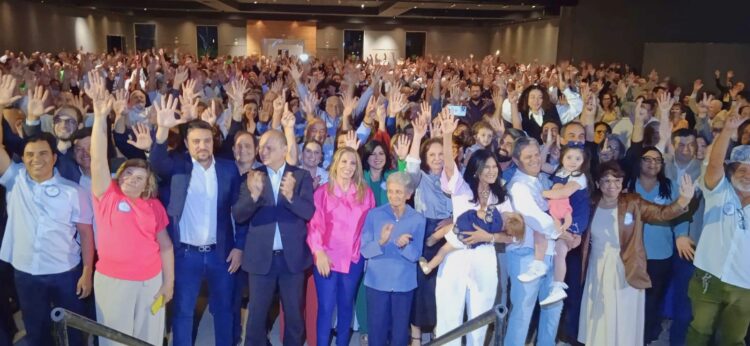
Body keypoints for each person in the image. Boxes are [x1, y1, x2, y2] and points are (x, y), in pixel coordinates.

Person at [148, 94, 245, 346]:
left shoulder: (228, 169)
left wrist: (239, 246)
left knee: (224, 310)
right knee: (182, 312)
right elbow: (156, 162)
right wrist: (162, 129)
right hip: (185, 255)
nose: (202, 145)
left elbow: (240, 210)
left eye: (206, 140)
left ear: (213, 141)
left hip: (220, 253)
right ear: (187, 144)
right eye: (196, 142)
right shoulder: (178, 166)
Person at [86, 70, 174, 346]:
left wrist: (168, 282)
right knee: (114, 340)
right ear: (118, 176)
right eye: (127, 174)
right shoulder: (107, 196)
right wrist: (101, 116)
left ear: (148, 183)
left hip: (151, 281)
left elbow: (166, 246)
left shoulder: (154, 206)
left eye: (139, 177)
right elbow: (98, 160)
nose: (132, 179)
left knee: (148, 338)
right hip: (113, 282)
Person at [0, 113, 94, 346]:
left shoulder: (73, 191)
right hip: (26, 273)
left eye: (43, 153)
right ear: (23, 158)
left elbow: (86, 234)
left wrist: (87, 271)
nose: (36, 159)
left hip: (66, 271)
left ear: (54, 158)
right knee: (35, 328)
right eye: (29, 155)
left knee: (72, 329)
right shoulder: (15, 179)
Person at [578, 162, 694, 345]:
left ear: (622, 182)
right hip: (597, 267)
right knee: (600, 312)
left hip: (626, 267)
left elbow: (661, 213)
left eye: (617, 180)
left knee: (624, 314)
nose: (612, 185)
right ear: (598, 183)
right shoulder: (591, 203)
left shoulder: (632, 202)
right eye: (606, 180)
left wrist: (682, 201)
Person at [435, 110, 517, 346]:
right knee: (449, 318)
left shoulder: (501, 197)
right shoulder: (462, 189)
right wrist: (447, 136)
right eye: (486, 167)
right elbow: (450, 169)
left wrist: (489, 236)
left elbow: (513, 236)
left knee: (480, 318)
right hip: (456, 258)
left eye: (494, 168)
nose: (491, 171)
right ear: (475, 169)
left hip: (485, 259)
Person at [232, 129, 315, 346]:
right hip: (260, 259)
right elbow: (239, 215)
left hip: (292, 259)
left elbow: (309, 212)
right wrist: (254, 196)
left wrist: (290, 197)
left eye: (269, 147)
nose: (263, 151)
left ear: (284, 150)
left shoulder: (301, 176)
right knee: (256, 316)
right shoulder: (252, 177)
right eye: (261, 147)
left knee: (295, 315)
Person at [687, 115, 750, 345]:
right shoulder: (718, 191)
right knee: (699, 331)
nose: (747, 174)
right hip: (709, 274)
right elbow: (714, 165)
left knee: (734, 339)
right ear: (731, 171)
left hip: (745, 284)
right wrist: (727, 132)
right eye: (741, 169)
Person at [306, 147, 375, 346]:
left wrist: (367, 253)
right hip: (325, 259)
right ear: (336, 163)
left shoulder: (366, 193)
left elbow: (369, 227)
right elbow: (314, 226)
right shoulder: (322, 192)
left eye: (353, 163)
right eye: (344, 161)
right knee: (326, 308)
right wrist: (318, 252)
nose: (348, 167)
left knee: (346, 307)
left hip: (353, 260)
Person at [504, 136, 565, 346]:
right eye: (527, 156)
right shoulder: (518, 186)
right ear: (516, 160)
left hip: (549, 252)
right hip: (525, 254)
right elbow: (532, 217)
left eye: (537, 155)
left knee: (553, 308)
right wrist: (563, 232)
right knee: (522, 313)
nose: (534, 160)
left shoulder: (539, 181)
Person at [519, 143, 591, 306]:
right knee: (540, 230)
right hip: (559, 213)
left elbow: (564, 192)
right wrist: (546, 146)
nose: (573, 161)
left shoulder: (579, 177)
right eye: (569, 157)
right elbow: (541, 164)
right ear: (562, 158)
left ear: (584, 161)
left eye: (578, 158)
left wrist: (541, 193)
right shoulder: (560, 170)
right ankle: (538, 264)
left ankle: (558, 286)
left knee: (560, 249)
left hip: (574, 217)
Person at [360, 172, 425, 346]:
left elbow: (415, 255)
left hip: (404, 284)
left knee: (400, 334)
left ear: (408, 194)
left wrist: (404, 245)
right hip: (377, 283)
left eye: (398, 192)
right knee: (376, 331)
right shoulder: (374, 215)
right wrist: (381, 241)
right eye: (390, 191)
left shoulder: (418, 219)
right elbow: (365, 251)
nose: (393, 196)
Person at [418, 209, 524, 274]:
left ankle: (429, 248)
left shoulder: (494, 218)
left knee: (444, 242)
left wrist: (480, 213)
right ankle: (429, 261)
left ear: (508, 220)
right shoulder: (499, 229)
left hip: (463, 231)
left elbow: (480, 214)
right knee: (444, 248)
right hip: (466, 240)